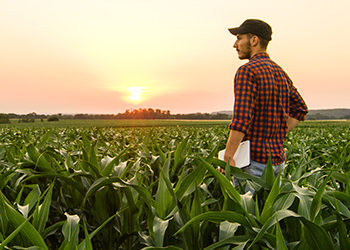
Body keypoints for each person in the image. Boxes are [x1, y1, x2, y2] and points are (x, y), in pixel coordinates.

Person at [222, 19, 308, 185]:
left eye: (239, 38)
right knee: (271, 210)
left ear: (254, 40)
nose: (235, 44)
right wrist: (278, 133)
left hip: (252, 163)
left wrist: (228, 156)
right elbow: (300, 108)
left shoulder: (247, 71)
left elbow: (242, 119)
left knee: (246, 210)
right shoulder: (280, 72)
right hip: (277, 163)